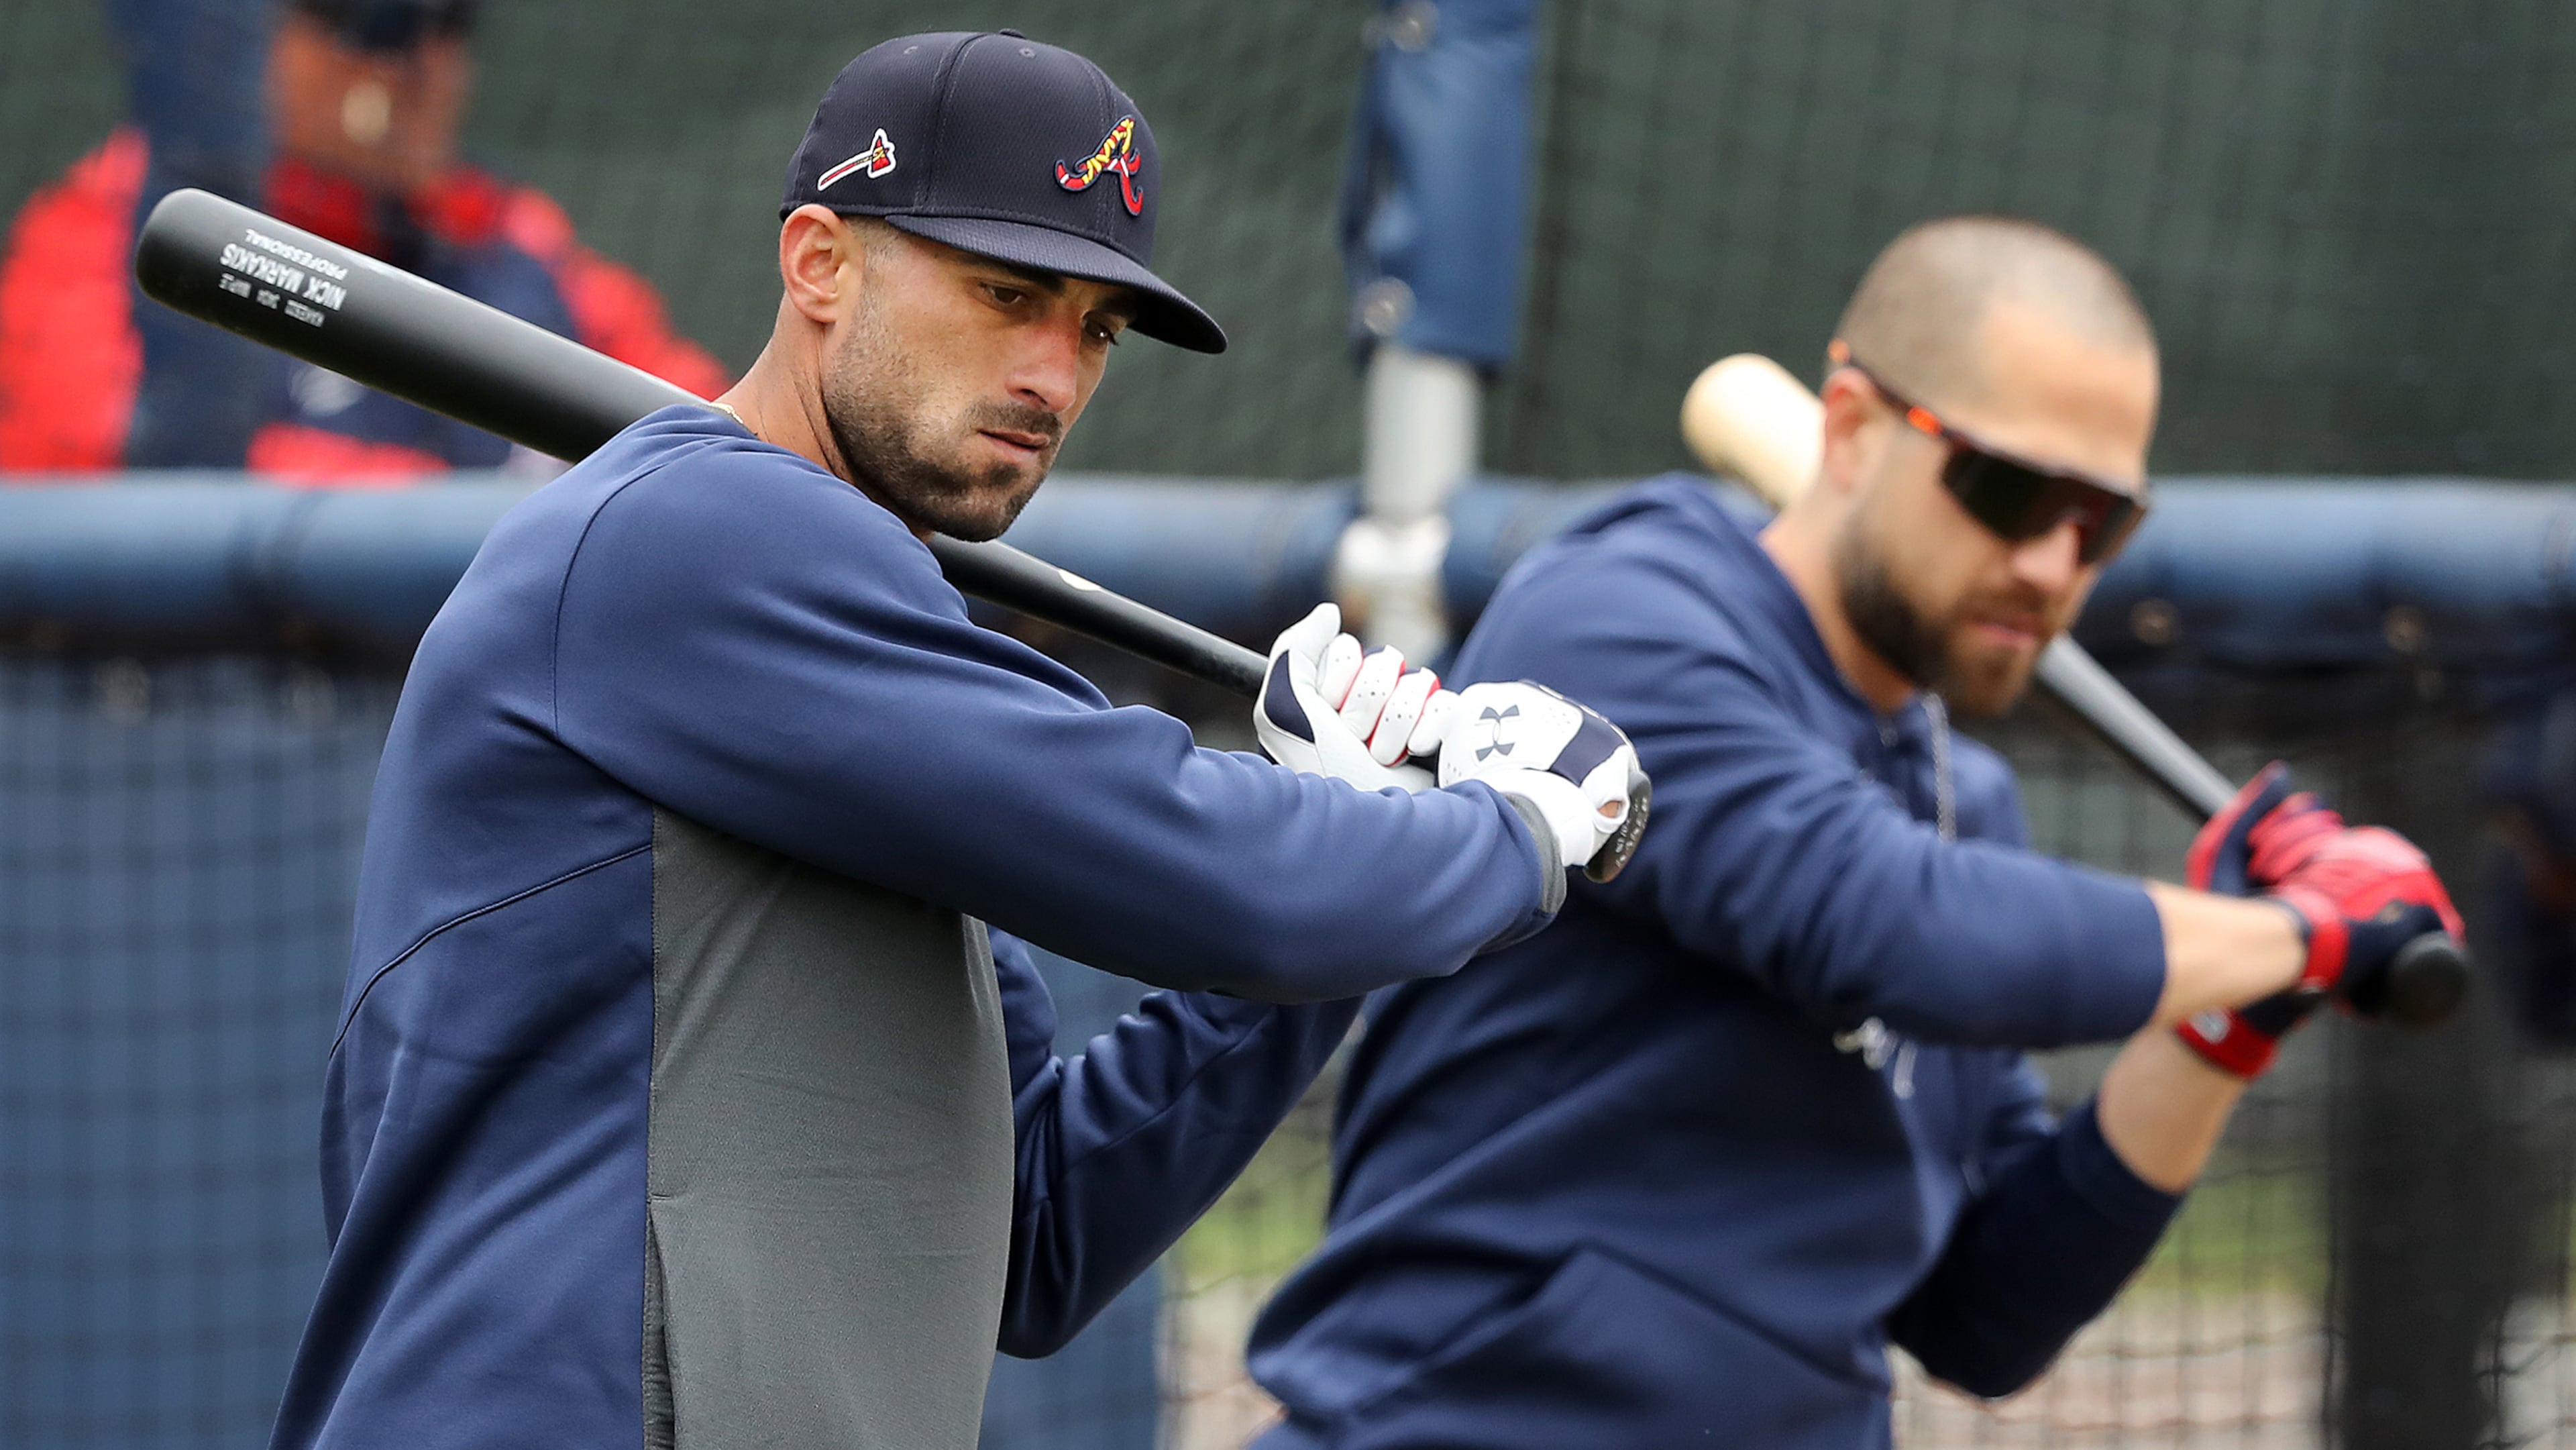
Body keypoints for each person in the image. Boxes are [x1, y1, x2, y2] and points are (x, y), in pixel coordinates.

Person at [266, 31, 1646, 1450]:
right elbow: (1226, 873)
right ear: (819, 264)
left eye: (1096, 329)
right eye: (1008, 295)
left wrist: (1333, 900)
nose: (1054, 375)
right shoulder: (694, 537)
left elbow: (1031, 1236)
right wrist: (1504, 830)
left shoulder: (864, 690)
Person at [1246, 217, 2465, 1447]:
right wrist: (2300, 931)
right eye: (2010, 490)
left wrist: (2230, 1016)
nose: (2050, 564)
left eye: (2098, 524)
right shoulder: (1622, 623)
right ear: (1850, 428)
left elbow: (1987, 1313)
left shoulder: (1957, 800)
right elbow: (1893, 931)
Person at [0, 0, 722, 478]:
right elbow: (85, 452)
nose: (424, 69)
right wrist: (463, 512)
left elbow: (712, 429)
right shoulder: (125, 219)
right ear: (253, 36)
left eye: (452, 24)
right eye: (378, 24)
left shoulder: (504, 234)